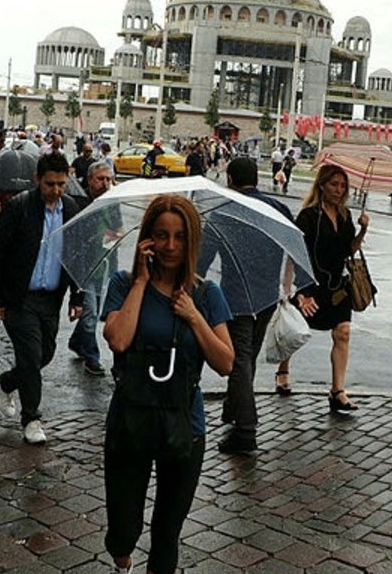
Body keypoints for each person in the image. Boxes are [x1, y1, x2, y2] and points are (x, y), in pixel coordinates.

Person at [101, 194, 234, 574]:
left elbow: (225, 363)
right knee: (124, 529)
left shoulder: (207, 294)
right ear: (147, 239)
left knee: (166, 532)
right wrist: (141, 283)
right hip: (130, 422)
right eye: (161, 235)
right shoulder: (123, 283)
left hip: (183, 427)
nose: (170, 246)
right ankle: (121, 552)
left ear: (192, 241)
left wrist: (194, 317)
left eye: (179, 236)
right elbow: (119, 340)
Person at [0, 153, 84, 444]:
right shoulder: (20, 207)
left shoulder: (70, 208)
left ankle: (7, 382)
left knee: (45, 354)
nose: (56, 190)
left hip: (51, 297)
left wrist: (78, 296)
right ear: (37, 179)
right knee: (29, 355)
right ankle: (31, 419)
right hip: (20, 298)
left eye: (61, 184)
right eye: (50, 184)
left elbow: (76, 255)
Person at [210, 158, 295, 454]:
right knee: (246, 360)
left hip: (236, 299)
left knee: (239, 363)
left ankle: (245, 431)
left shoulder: (225, 209)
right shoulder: (278, 209)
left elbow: (206, 252)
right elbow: (294, 245)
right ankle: (233, 414)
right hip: (266, 297)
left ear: (230, 178)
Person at [280, 164, 369, 412]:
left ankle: (337, 391)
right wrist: (303, 291)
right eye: (334, 184)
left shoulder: (345, 215)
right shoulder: (309, 216)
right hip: (311, 283)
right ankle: (283, 369)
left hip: (338, 286)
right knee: (295, 332)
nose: (338, 190)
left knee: (343, 333)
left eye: (342, 186)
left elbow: (349, 251)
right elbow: (298, 253)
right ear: (321, 185)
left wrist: (363, 230)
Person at [66, 161, 116, 376]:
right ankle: (91, 358)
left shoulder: (111, 204)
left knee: (93, 311)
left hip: (101, 266)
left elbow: (117, 230)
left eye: (108, 179)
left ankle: (77, 342)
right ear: (89, 180)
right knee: (91, 314)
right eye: (100, 179)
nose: (105, 183)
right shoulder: (80, 203)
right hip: (84, 268)